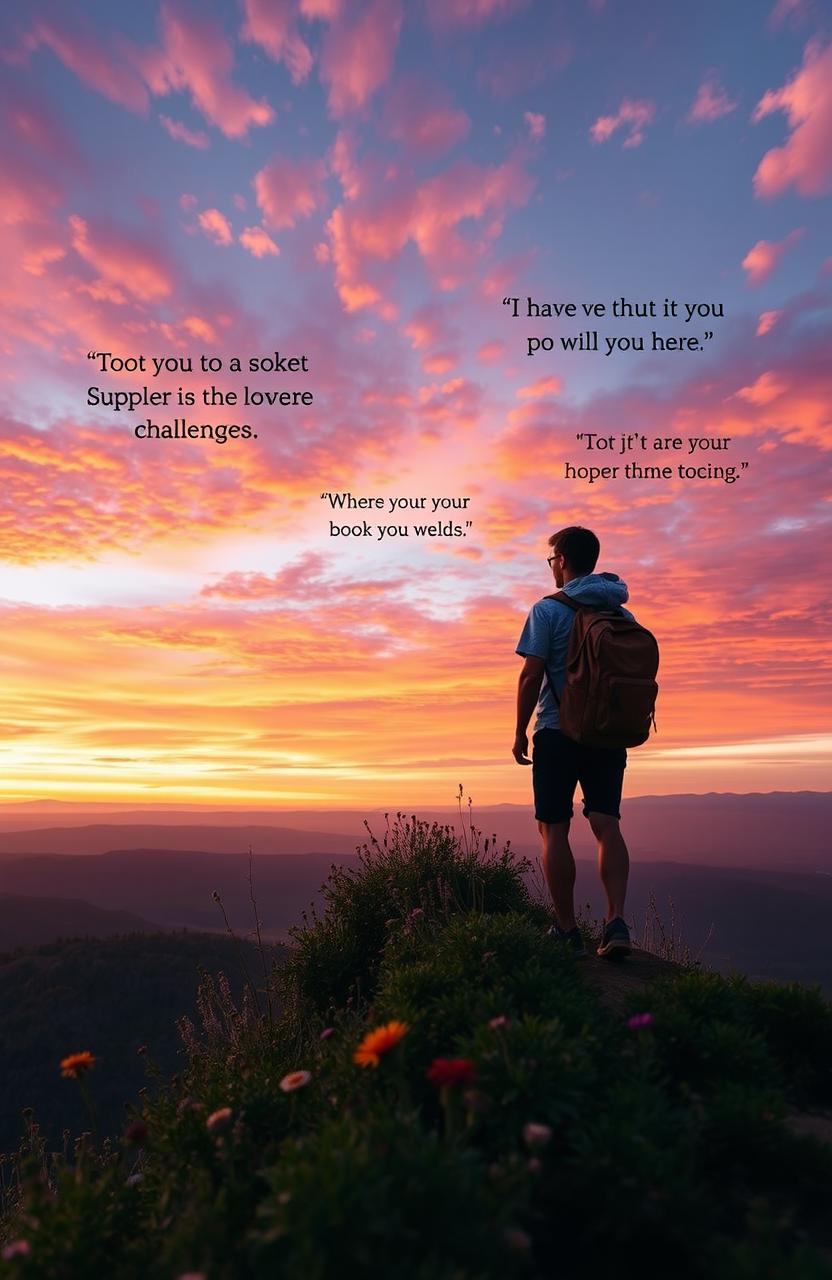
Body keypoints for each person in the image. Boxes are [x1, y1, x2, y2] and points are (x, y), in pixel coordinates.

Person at [513, 526, 633, 959]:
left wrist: (518, 730)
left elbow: (531, 674)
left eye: (552, 561)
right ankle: (615, 921)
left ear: (562, 559)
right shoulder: (621, 614)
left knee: (553, 828)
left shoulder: (547, 611)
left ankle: (566, 929)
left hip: (557, 731)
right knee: (606, 824)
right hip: (606, 733)